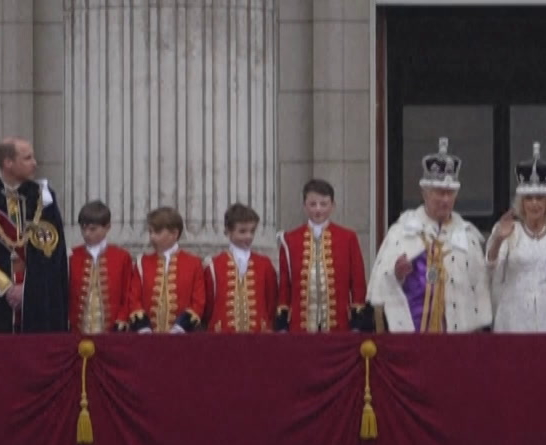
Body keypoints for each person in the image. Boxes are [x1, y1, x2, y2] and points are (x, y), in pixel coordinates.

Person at [369, 138, 494, 333]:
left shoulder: (467, 235)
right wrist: (397, 274)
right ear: (425, 193)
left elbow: (479, 290)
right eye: (439, 193)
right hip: (413, 333)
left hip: (457, 337)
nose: (445, 199)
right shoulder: (402, 232)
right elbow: (381, 287)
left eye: (450, 193)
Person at [0, 138, 69, 333]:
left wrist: (28, 289)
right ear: (8, 163)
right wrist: (6, 287)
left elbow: (53, 252)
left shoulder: (43, 197)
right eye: (27, 158)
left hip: (37, 302)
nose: (34, 163)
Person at [487, 143, 546, 334]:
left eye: (540, 198)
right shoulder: (507, 229)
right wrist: (497, 240)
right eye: (529, 198)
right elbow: (490, 271)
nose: (535, 203)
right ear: (521, 202)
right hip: (513, 320)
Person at [276, 179, 368, 333]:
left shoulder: (347, 237)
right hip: (300, 325)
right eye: (313, 204)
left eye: (324, 204)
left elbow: (358, 281)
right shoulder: (290, 240)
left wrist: (358, 320)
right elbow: (285, 284)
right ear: (304, 206)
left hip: (339, 324)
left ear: (333, 205)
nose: (318, 210)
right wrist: (282, 320)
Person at [69, 200, 143, 334]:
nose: (86, 233)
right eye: (83, 228)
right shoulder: (71, 256)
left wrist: (122, 318)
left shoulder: (121, 257)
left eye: (92, 229)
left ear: (107, 227)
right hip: (77, 331)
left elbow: (127, 293)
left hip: (113, 330)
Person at [208, 204, 280, 333]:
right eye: (242, 231)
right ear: (227, 232)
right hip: (222, 336)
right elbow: (209, 306)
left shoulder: (264, 264)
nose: (248, 236)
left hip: (259, 335)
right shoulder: (214, 265)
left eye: (252, 231)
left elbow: (272, 302)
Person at [137, 207, 207, 334]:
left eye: (157, 232)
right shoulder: (141, 263)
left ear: (174, 233)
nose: (152, 237)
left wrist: (180, 328)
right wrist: (144, 327)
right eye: (150, 232)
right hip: (147, 339)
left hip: (183, 338)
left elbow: (198, 301)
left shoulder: (194, 263)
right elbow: (134, 299)